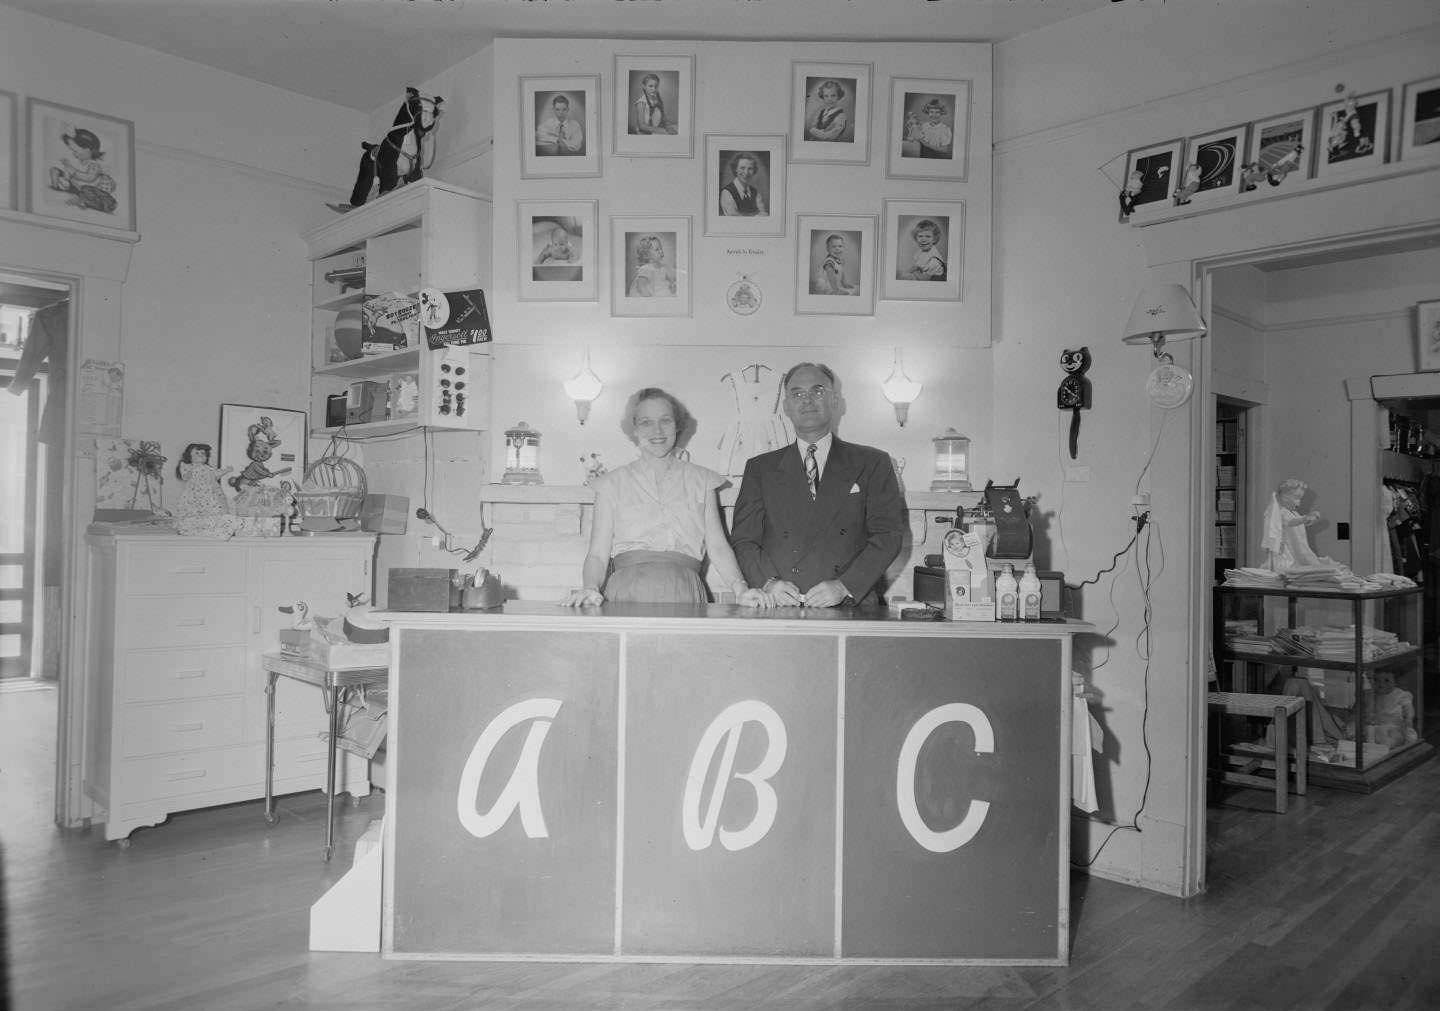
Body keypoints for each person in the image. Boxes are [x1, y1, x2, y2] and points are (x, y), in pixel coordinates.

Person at [562, 388, 774, 608]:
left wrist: (741, 590)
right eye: (646, 422)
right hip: (626, 593)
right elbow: (597, 553)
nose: (657, 430)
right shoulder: (610, 484)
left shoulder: (702, 480)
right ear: (634, 429)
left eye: (666, 420)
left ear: (677, 426)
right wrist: (590, 588)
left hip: (685, 591)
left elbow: (718, 547)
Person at [730, 363, 907, 607]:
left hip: (852, 604)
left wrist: (844, 585)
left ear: (835, 400)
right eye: (797, 393)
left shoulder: (873, 462)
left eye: (818, 391)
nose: (808, 400)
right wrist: (769, 583)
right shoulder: (760, 469)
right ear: (786, 407)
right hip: (779, 603)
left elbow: (888, 535)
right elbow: (743, 540)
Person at [48, 127, 119, 214]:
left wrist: (73, 170)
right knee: (61, 175)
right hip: (79, 187)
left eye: (75, 151)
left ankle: (81, 199)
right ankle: (58, 183)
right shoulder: (80, 162)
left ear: (87, 150)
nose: (73, 154)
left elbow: (89, 178)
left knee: (87, 191)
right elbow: (73, 176)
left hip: (95, 191)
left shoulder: (94, 165)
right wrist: (67, 173)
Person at [1260, 478, 1321, 572]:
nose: (1299, 502)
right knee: (1287, 564)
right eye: (1297, 498)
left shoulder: (1294, 513)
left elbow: (1298, 524)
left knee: (1300, 560)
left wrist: (1308, 519)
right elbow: (1291, 522)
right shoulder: (1282, 513)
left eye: (1300, 499)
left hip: (1297, 545)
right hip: (1287, 547)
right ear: (1285, 497)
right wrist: (1304, 518)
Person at [719, 152, 766, 217]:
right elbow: (735, 218)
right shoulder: (727, 192)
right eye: (742, 168)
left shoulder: (755, 193)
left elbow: (764, 214)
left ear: (754, 171)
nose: (746, 172)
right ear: (736, 169)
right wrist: (755, 215)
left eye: (750, 169)